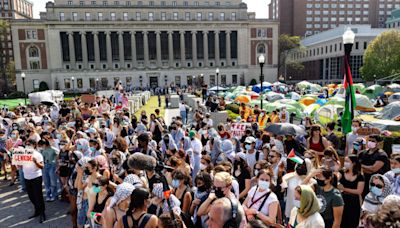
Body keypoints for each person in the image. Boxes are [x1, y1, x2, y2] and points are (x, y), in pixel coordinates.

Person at [338, 154, 365, 228]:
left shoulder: (360, 176)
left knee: (352, 222)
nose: (345, 163)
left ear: (353, 163)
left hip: (354, 202)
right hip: (342, 200)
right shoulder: (341, 172)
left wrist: (344, 189)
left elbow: (359, 191)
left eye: (347, 161)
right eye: (345, 161)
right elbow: (336, 181)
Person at [23, 140, 46, 223]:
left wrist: (35, 162)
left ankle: (42, 213)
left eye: (29, 144)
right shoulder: (23, 153)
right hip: (27, 177)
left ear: (34, 145)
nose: (27, 145)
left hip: (36, 177)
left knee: (38, 196)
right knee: (31, 196)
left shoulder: (37, 154)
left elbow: (42, 166)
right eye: (26, 144)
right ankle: (37, 210)